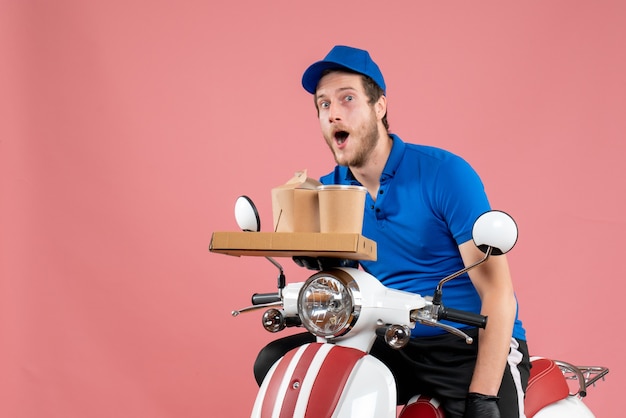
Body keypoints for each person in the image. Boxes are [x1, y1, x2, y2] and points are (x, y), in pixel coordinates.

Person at [254, 45, 530, 418]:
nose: (333, 113)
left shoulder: (444, 174)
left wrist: (483, 396)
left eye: (347, 99)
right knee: (278, 365)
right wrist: (313, 250)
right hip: (397, 340)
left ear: (379, 106)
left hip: (467, 344)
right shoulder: (330, 192)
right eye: (323, 104)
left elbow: (498, 293)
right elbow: (346, 290)